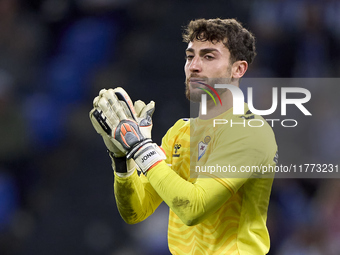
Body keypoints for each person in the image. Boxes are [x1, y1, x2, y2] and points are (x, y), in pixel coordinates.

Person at [89, 18, 278, 255]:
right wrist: (122, 160)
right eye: (190, 57)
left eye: (209, 57)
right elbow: (136, 211)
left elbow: (194, 208)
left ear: (238, 69)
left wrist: (141, 148)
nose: (194, 66)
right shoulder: (180, 132)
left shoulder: (249, 132)